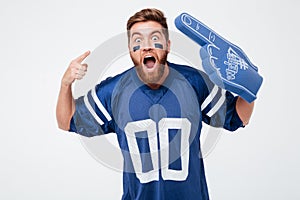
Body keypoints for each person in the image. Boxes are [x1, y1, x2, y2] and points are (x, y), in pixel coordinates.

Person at [56, 8, 255, 200]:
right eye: (138, 40)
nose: (147, 46)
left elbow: (238, 117)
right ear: (130, 50)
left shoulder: (194, 82)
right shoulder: (114, 90)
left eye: (155, 38)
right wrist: (65, 84)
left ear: (168, 45)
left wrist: (248, 88)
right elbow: (67, 121)